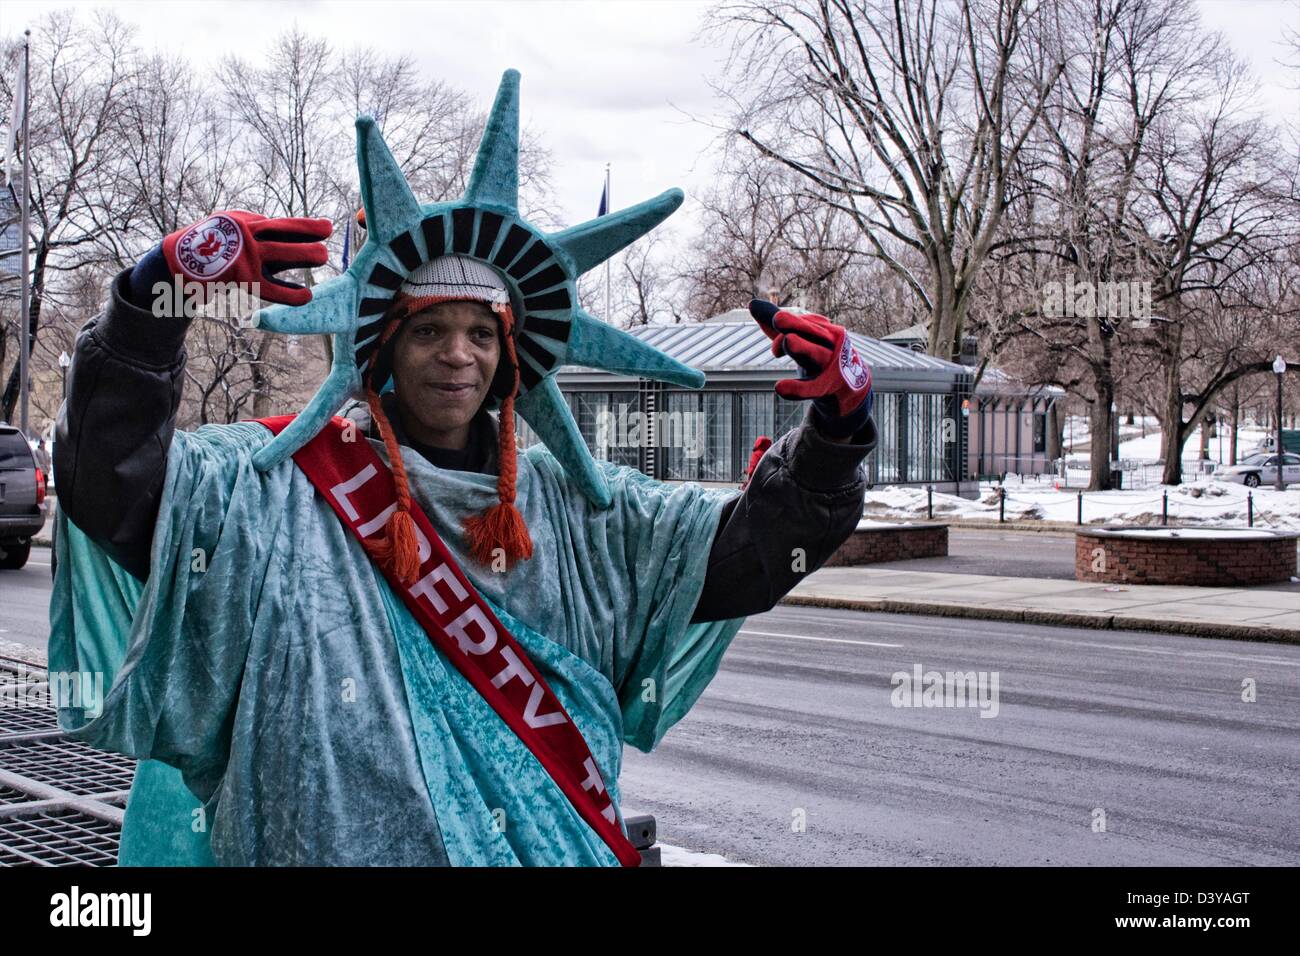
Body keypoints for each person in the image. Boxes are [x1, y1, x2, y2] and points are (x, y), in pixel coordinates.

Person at [49, 71, 876, 866]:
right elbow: (113, 485)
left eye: (481, 333)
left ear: (511, 355)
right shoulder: (273, 485)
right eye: (427, 330)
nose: (458, 354)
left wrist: (834, 438)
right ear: (381, 349)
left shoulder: (575, 508)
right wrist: (152, 301)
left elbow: (740, 561)